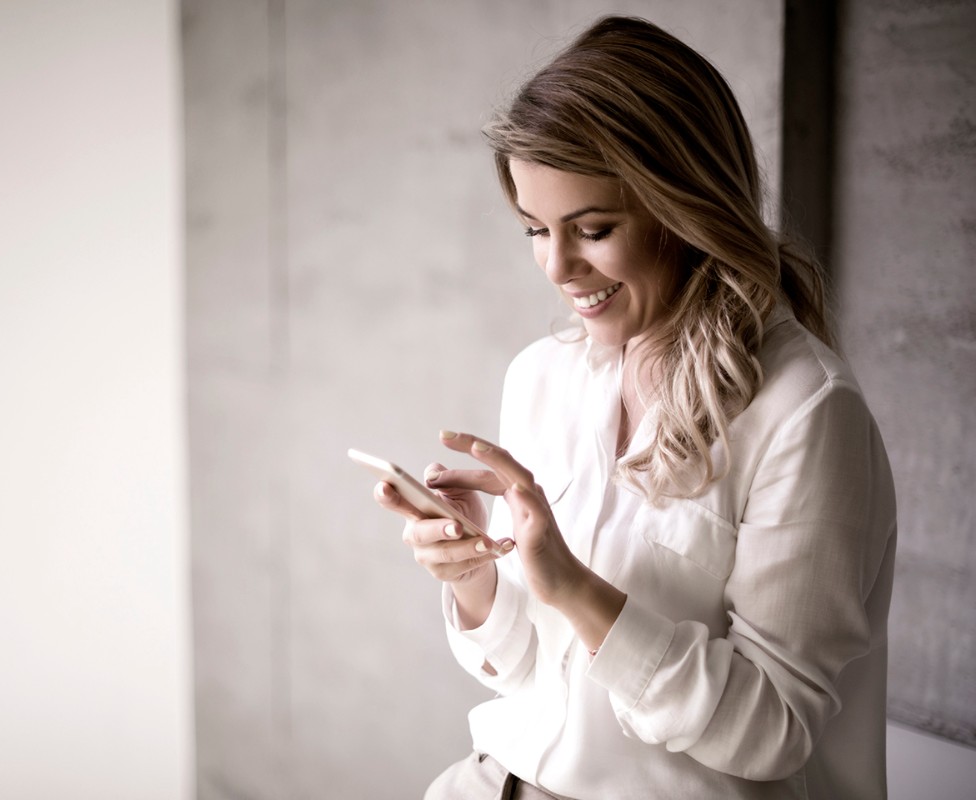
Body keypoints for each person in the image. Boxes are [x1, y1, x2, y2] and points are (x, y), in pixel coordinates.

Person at [371, 16, 897, 800]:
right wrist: (477, 577)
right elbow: (526, 670)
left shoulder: (805, 411)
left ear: (686, 203)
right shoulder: (541, 378)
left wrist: (578, 589)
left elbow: (774, 726)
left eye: (593, 229)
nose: (556, 266)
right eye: (534, 230)